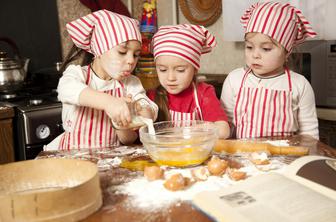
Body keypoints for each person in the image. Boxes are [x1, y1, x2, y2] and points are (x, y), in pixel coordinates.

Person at [46, 10, 158, 150]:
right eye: (122, 52)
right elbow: (66, 89)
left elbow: (128, 140)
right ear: (99, 49)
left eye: (136, 55)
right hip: (72, 159)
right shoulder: (78, 75)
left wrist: (138, 115)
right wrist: (109, 103)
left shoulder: (131, 84)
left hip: (110, 162)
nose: (130, 61)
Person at [220, 1, 319, 139]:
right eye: (249, 47)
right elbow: (226, 125)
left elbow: (309, 133)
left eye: (266, 49)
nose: (255, 55)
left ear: (287, 53)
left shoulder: (300, 85)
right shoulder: (234, 79)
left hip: (287, 158)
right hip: (242, 156)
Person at [148, 24, 231, 139]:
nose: (171, 77)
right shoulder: (151, 97)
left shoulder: (204, 93)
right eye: (163, 70)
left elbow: (223, 130)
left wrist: (184, 132)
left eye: (180, 70)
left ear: (195, 69)